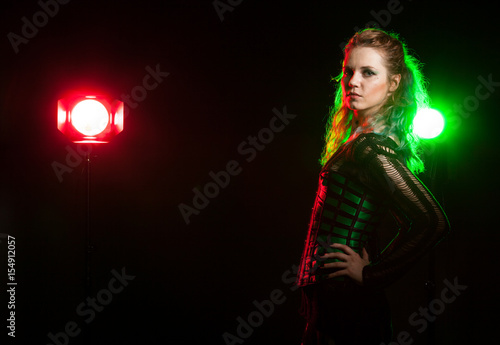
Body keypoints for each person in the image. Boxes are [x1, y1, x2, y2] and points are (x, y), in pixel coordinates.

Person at [296, 28, 450, 345]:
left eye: (368, 72)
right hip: (331, 301)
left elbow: (431, 221)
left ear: (393, 84)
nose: (353, 81)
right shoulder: (362, 144)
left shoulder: (372, 148)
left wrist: (371, 274)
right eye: (348, 71)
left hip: (347, 304)